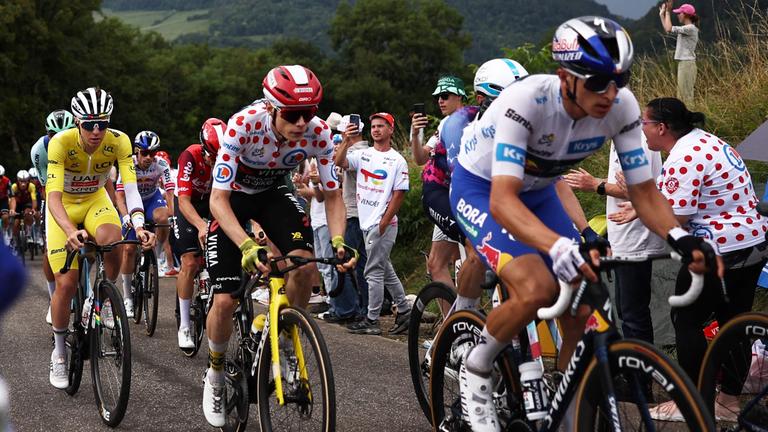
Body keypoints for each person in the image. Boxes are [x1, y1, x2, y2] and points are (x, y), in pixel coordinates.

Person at [451, 17, 720, 431]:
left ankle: (567, 405)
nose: (610, 94)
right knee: (538, 286)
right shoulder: (524, 102)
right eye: (597, 82)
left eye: (620, 80)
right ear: (565, 77)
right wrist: (558, 248)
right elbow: (503, 201)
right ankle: (478, 365)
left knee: (580, 304)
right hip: (483, 188)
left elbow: (645, 193)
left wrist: (683, 239)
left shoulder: (623, 106)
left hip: (539, 190)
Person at [202, 65, 354, 427]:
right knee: (225, 299)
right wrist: (245, 245)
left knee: (304, 264)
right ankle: (216, 375)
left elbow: (333, 197)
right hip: (235, 199)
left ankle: (286, 333)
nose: (302, 123)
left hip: (274, 193)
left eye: (309, 112)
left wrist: (337, 240)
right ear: (271, 108)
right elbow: (217, 201)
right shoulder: (244, 124)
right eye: (293, 114)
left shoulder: (318, 134)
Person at [614, 97, 768, 422]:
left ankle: (689, 401)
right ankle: (727, 402)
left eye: (644, 124)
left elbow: (677, 218)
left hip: (720, 248)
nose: (642, 133)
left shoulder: (684, 154)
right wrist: (641, 207)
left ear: (661, 128)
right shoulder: (705, 141)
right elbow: (674, 195)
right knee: (733, 322)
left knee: (687, 318)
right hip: (753, 241)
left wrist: (642, 213)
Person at [46, 86, 155, 389]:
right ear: (77, 123)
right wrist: (69, 231)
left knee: (114, 241)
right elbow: (52, 197)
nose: (96, 131)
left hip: (95, 200)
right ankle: (58, 353)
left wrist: (137, 222)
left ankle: (98, 300)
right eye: (89, 124)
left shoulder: (119, 142)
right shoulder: (60, 143)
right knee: (66, 282)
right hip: (63, 206)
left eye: (102, 124)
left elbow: (129, 187)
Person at [563, 135, 666, 347]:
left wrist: (595, 185)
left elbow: (638, 189)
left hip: (636, 238)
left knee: (633, 314)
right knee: (626, 311)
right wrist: (596, 182)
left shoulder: (634, 141)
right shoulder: (621, 138)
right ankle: (637, 367)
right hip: (625, 236)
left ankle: (642, 372)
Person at [334, 112, 412, 335]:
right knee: (385, 269)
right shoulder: (364, 155)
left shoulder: (397, 160)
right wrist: (346, 141)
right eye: (374, 126)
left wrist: (383, 223)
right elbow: (339, 162)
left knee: (373, 272)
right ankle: (405, 310)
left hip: (382, 224)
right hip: (366, 222)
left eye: (381, 126)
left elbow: (399, 194)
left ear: (390, 130)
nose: (376, 129)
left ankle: (372, 319)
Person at [411, 75, 467, 292]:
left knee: (468, 259)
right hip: (445, 197)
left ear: (460, 96)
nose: (440, 101)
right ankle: (452, 322)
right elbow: (419, 158)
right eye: (438, 97)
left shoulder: (469, 119)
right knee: (436, 264)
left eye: (445, 96)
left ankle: (471, 312)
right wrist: (415, 134)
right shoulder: (444, 124)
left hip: (463, 199)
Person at [116, 130, 175, 319]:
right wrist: (125, 217)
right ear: (136, 151)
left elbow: (170, 190)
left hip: (151, 200)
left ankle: (156, 255)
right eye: (144, 153)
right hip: (131, 202)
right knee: (129, 250)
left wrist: (172, 214)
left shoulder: (161, 165)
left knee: (163, 219)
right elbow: (119, 195)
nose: (149, 157)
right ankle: (127, 297)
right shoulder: (128, 164)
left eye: (153, 153)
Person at [174, 118, 220, 350]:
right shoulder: (190, 155)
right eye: (211, 155)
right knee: (190, 262)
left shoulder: (228, 156)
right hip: (188, 204)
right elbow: (183, 200)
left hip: (212, 204)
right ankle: (184, 325)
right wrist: (201, 226)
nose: (215, 160)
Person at [31, 109, 76, 324]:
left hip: (81, 193)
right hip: (54, 195)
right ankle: (53, 297)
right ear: (47, 133)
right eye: (53, 134)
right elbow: (47, 188)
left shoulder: (82, 141)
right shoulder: (39, 151)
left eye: (65, 132)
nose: (59, 138)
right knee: (50, 250)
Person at [660, 1, 700, 105]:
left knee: (685, 96)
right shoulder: (687, 29)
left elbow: (669, 28)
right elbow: (667, 29)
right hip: (685, 64)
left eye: (679, 13)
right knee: (683, 95)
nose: (678, 15)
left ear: (685, 14)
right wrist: (662, 15)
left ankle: (687, 119)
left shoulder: (690, 28)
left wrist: (668, 12)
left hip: (687, 64)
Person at [8, 170, 37, 248]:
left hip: (27, 203)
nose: (23, 184)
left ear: (28, 180)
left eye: (25, 181)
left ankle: (29, 234)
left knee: (28, 213)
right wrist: (12, 210)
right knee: (16, 223)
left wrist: (33, 209)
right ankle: (14, 239)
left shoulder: (31, 186)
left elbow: (34, 199)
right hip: (17, 204)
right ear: (18, 180)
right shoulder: (14, 187)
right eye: (21, 181)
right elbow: (12, 199)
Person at [0, 166, 11, 246]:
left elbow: (12, 197)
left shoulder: (7, 181)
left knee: (5, 217)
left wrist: (12, 209)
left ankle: (5, 232)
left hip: (3, 200)